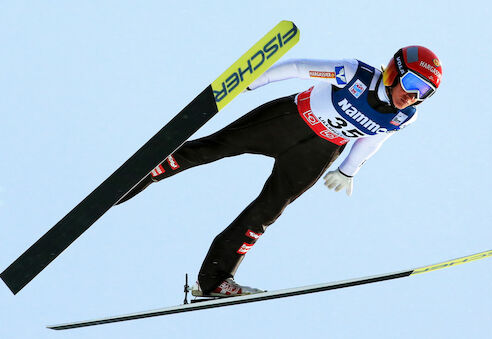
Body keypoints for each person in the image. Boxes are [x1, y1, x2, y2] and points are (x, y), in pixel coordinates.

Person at [116, 45, 443, 297]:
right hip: (287, 121)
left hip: (318, 152)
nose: (412, 95)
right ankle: (141, 175)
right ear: (394, 72)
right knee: (215, 147)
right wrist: (253, 81)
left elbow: (375, 137)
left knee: (267, 213)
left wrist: (348, 170)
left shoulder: (405, 116)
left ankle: (214, 280)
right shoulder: (355, 73)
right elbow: (300, 68)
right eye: (412, 82)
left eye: (424, 93)